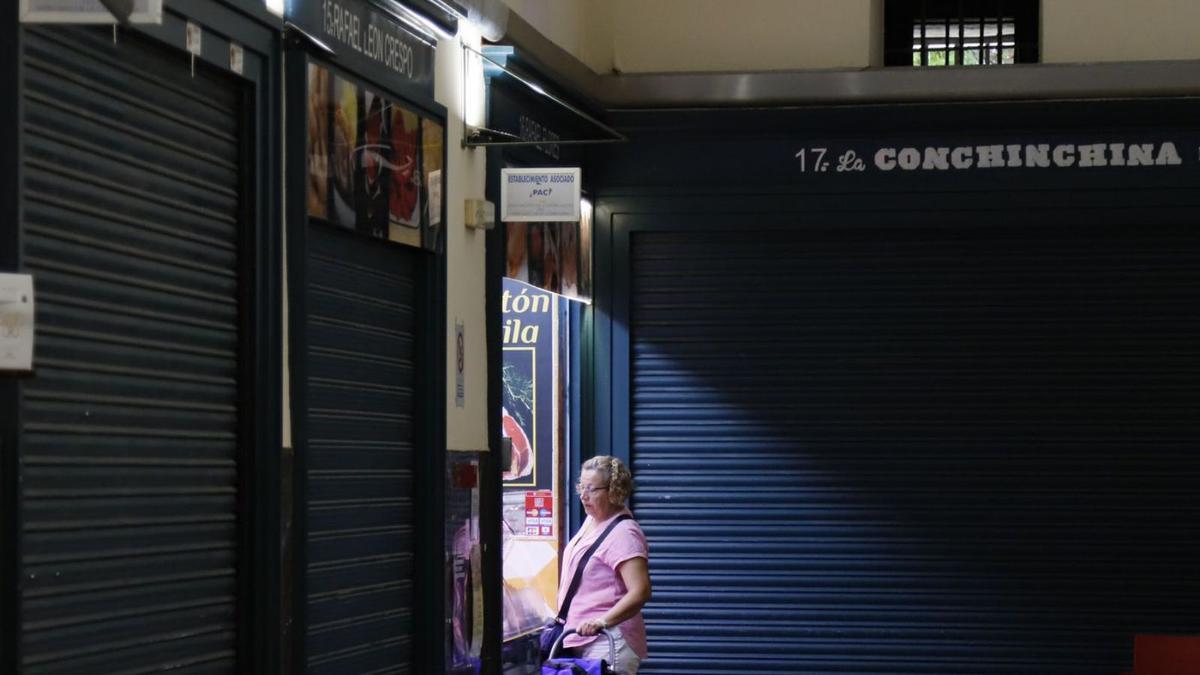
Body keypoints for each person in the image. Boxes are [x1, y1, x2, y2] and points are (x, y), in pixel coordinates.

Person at [558, 456, 651, 673]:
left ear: (613, 491)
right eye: (581, 486)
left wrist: (602, 621)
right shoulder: (592, 521)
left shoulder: (624, 533)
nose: (583, 495)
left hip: (609, 643)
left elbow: (641, 591)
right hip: (582, 639)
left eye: (591, 489)